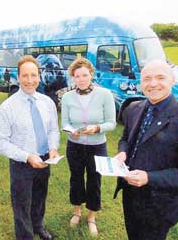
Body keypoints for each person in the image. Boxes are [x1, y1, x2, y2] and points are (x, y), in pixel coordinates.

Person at [113, 60, 178, 240]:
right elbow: (126, 139)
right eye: (147, 79)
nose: (153, 84)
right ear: (141, 83)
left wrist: (149, 178)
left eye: (160, 77)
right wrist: (123, 151)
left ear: (172, 80)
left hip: (159, 205)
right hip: (130, 196)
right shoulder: (134, 108)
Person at [0, 55, 60, 240]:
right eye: (25, 76)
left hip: (45, 159)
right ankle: (25, 236)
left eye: (33, 75)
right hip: (22, 164)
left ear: (39, 76)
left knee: (39, 199)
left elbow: (53, 129)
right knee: (22, 205)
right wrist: (27, 156)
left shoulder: (47, 103)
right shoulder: (7, 108)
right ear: (18, 76)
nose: (30, 80)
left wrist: (53, 147)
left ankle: (38, 226)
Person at [61, 57, 116, 235]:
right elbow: (65, 123)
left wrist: (98, 128)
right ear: (73, 78)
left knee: (94, 180)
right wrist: (72, 131)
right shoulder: (67, 96)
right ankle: (77, 212)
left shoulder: (105, 95)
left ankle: (91, 216)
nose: (81, 79)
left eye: (84, 75)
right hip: (75, 147)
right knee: (76, 178)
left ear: (91, 74)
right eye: (77, 76)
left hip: (97, 146)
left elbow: (111, 123)